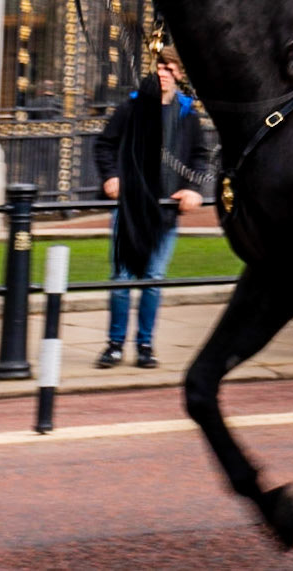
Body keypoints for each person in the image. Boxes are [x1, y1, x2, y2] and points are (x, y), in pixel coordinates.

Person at [95, 46, 209, 367]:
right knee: (121, 277)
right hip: (130, 207)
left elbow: (200, 156)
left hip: (165, 210)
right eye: (160, 66)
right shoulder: (132, 107)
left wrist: (192, 188)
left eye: (170, 68)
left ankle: (145, 346)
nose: (163, 73)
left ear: (179, 75)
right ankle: (114, 344)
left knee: (153, 277)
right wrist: (111, 176)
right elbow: (105, 144)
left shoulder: (188, 114)